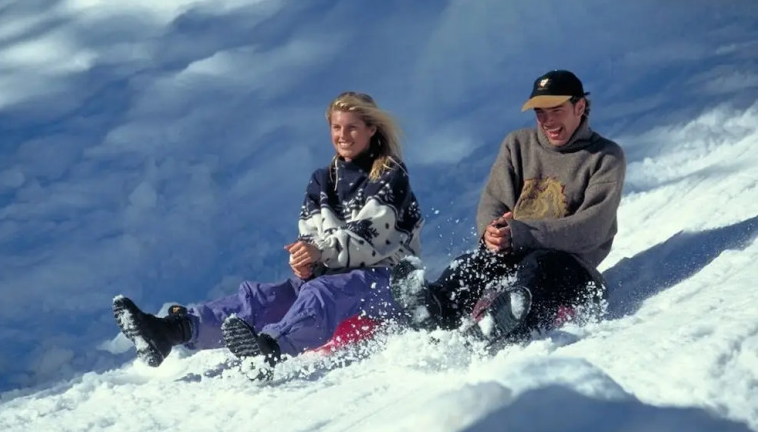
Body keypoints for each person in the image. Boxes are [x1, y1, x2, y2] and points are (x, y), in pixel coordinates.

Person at [113, 91, 423, 377]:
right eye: (336, 128)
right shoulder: (323, 180)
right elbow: (311, 234)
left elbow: (373, 237)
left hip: (385, 283)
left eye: (352, 128)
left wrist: (321, 252)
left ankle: (270, 349)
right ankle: (172, 331)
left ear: (372, 129)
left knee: (322, 292)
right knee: (262, 299)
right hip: (332, 278)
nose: (343, 136)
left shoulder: (389, 174)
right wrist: (306, 260)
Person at [390, 69, 626, 344]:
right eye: (540, 112)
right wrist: (492, 230)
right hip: (514, 256)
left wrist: (521, 232)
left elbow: (590, 228)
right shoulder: (518, 144)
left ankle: (508, 321)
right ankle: (436, 309)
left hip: (573, 271)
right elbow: (494, 199)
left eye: (556, 110)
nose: (547, 121)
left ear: (580, 107)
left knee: (541, 266)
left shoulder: (605, 157)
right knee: (474, 263)